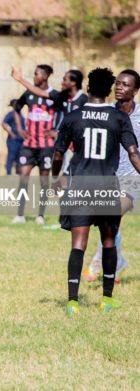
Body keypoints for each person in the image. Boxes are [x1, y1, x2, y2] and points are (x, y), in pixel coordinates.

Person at [52, 67, 140, 315]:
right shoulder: (118, 118)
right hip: (107, 187)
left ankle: (72, 302)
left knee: (78, 244)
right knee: (109, 241)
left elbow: (58, 154)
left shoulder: (73, 116)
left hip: (80, 185)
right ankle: (107, 299)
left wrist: (55, 178)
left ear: (88, 88)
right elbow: (133, 154)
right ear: (110, 89)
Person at [84, 69, 140, 284]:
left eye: (125, 85)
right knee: (109, 222)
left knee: (111, 215)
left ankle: (100, 263)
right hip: (106, 176)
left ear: (135, 91)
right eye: (117, 83)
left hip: (133, 178)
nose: (119, 87)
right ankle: (117, 263)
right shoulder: (105, 112)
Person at [11, 68, 88, 176]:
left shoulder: (84, 100)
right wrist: (20, 80)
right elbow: (41, 92)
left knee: (69, 178)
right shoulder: (63, 97)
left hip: (80, 147)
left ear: (73, 83)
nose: (62, 82)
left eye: (65, 79)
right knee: (61, 171)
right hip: (66, 146)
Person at [10, 64, 60, 225]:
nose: (34, 76)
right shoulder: (28, 95)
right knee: (23, 177)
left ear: (45, 76)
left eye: (36, 74)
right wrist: (19, 128)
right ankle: (20, 215)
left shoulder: (54, 95)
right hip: (29, 144)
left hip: (46, 145)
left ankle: (40, 215)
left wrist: (56, 131)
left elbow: (65, 115)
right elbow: (16, 108)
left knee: (44, 181)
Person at [1, 99, 25, 175]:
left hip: (20, 140)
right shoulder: (11, 114)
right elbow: (4, 124)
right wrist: (11, 133)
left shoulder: (20, 114)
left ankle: (18, 173)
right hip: (13, 140)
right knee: (11, 157)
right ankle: (8, 173)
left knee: (19, 158)